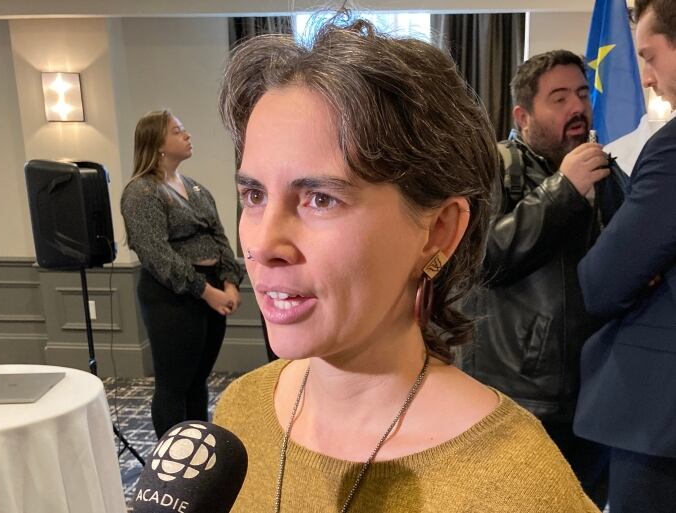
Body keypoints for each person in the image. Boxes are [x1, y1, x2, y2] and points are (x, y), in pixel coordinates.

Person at [213, 16, 599, 512]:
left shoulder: (517, 484)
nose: (263, 244)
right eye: (254, 194)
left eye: (320, 199)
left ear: (438, 231)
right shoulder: (239, 412)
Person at [460, 50, 626, 506]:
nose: (578, 107)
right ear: (523, 115)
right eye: (558, 98)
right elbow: (482, 259)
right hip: (519, 401)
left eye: (580, 93)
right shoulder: (492, 165)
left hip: (595, 397)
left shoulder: (606, 172)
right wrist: (564, 191)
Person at [573, 1, 676, 511]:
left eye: (651, 56)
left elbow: (602, 281)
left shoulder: (673, 149)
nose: (648, 79)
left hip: (659, 417)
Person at [120, 110, 244, 437]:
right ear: (157, 143)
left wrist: (230, 282)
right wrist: (208, 292)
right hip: (172, 298)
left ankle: (196, 448)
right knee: (174, 383)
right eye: (178, 131)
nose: (187, 135)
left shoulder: (196, 189)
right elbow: (157, 254)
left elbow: (219, 237)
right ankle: (172, 461)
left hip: (213, 292)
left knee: (197, 379)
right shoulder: (141, 192)